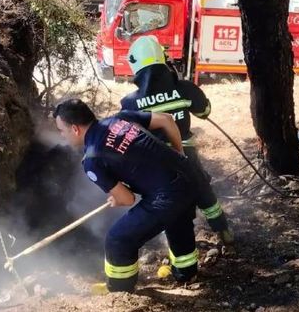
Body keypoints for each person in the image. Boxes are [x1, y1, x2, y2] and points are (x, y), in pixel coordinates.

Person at [54, 99, 200, 292]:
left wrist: (117, 198)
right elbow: (166, 119)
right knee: (177, 221)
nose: (62, 137)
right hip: (190, 177)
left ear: (75, 129)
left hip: (168, 195)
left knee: (118, 239)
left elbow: (127, 199)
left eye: (61, 131)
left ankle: (120, 291)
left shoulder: (92, 159)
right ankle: (187, 275)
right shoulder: (119, 119)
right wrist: (179, 153)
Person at [120, 36, 234, 245]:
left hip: (156, 164)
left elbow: (129, 136)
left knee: (170, 202)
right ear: (163, 59)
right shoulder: (183, 89)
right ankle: (223, 230)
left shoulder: (129, 102)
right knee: (203, 190)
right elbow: (204, 111)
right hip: (187, 155)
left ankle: (174, 251)